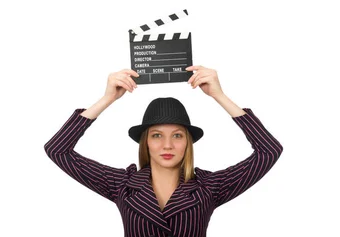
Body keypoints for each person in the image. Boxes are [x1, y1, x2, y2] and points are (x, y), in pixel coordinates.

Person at [44, 66, 283, 237]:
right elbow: (58, 149)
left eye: (177, 135)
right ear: (145, 142)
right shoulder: (122, 185)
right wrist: (107, 99)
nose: (167, 145)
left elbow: (268, 151)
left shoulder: (209, 187)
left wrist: (219, 95)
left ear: (188, 143)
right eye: (157, 135)